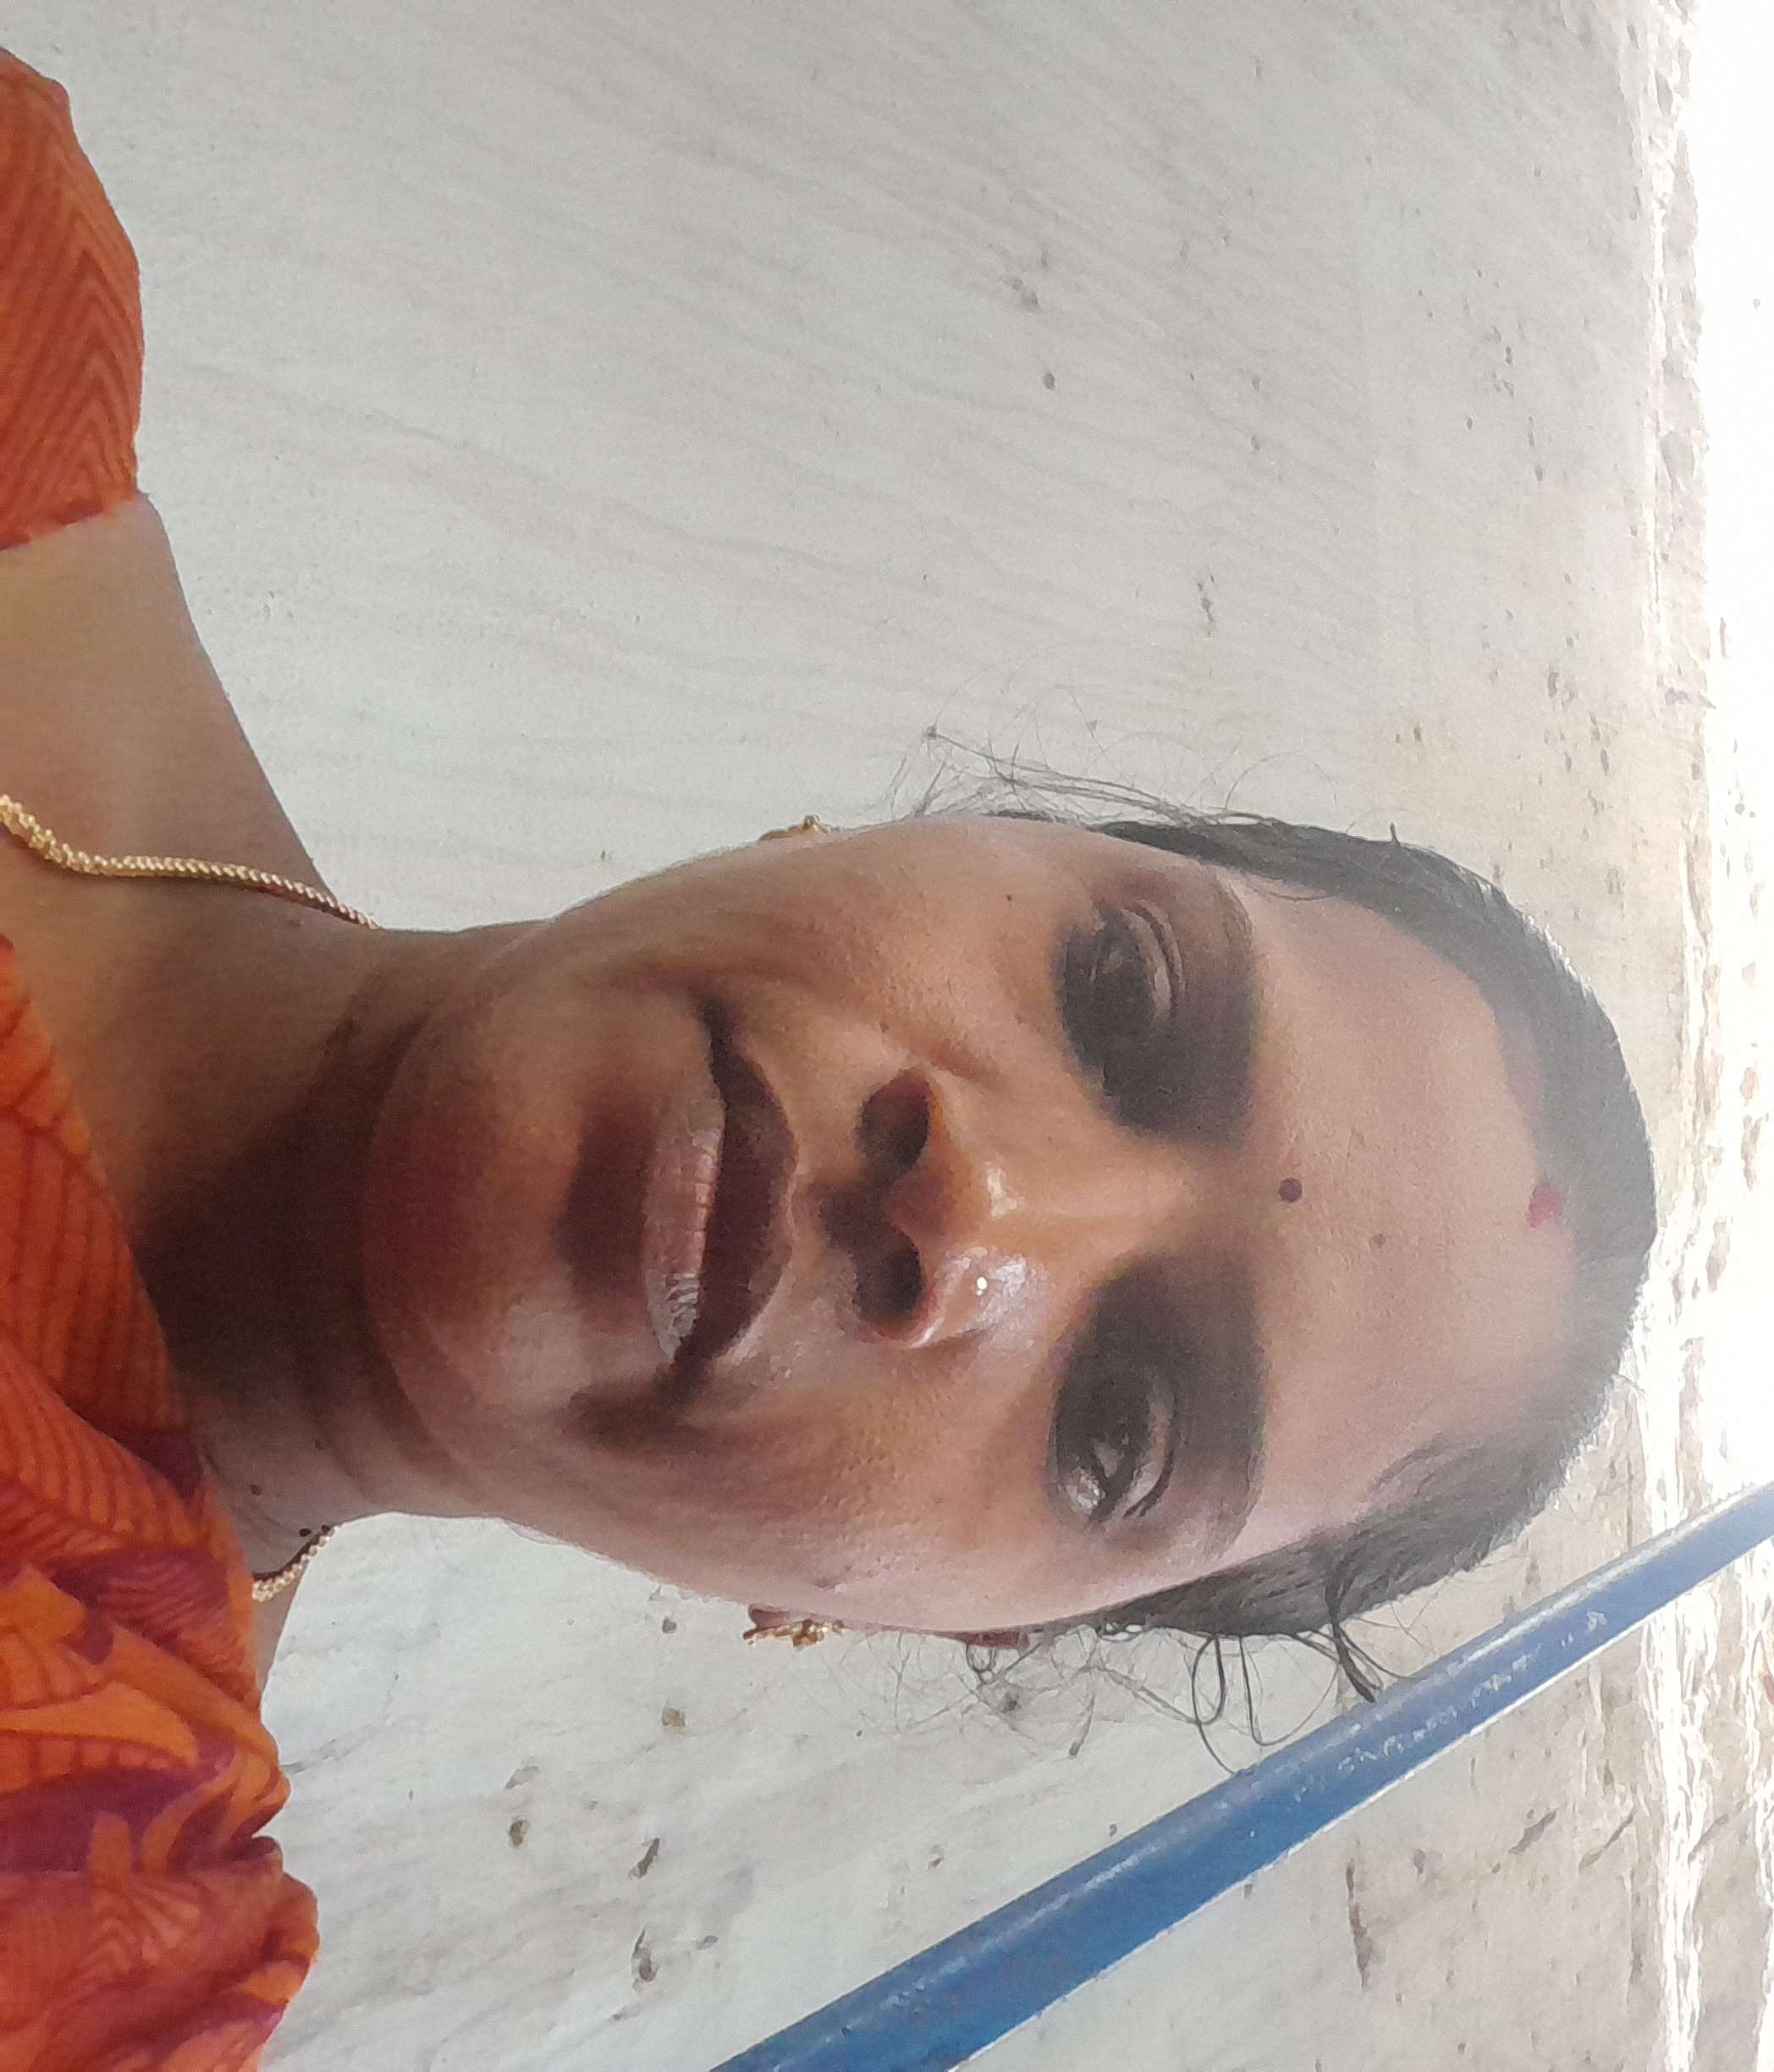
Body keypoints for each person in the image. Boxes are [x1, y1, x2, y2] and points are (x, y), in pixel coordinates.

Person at [0, 47, 1656, 2070]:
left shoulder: (76, 1938)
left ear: (929, 1616)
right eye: (1120, 1001)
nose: (979, 1211)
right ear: (948, 833)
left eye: (1121, 1422)